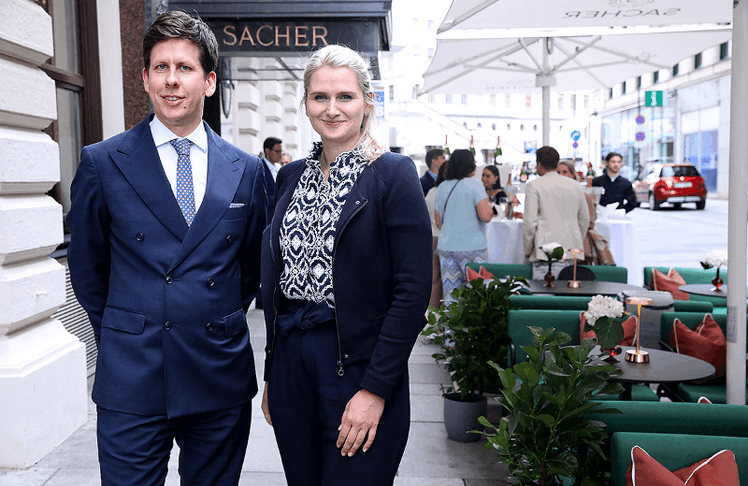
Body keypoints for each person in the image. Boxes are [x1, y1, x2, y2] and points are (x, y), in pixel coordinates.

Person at [66, 10, 266, 486]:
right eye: (161, 67)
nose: (171, 81)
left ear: (210, 81)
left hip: (217, 372)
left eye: (185, 68)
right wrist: (129, 328)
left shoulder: (247, 169)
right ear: (144, 78)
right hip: (132, 377)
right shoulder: (102, 161)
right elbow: (88, 269)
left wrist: (204, 315)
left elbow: (251, 272)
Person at [259, 44, 431, 486]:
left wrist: (375, 390)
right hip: (293, 364)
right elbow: (276, 281)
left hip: (358, 363)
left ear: (367, 103)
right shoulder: (290, 175)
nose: (332, 109)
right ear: (306, 103)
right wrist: (272, 373)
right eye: (320, 97)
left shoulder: (393, 174)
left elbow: (412, 293)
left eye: (345, 97)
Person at [434, 149, 493, 303]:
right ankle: (476, 327)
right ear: (470, 165)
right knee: (479, 295)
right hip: (473, 250)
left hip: (447, 248)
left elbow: (439, 222)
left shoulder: (442, 187)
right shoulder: (475, 185)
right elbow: (485, 216)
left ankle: (450, 327)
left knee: (452, 296)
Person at [523, 146, 590, 279]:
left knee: (543, 293)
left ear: (539, 164)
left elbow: (530, 222)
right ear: (556, 163)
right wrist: (576, 240)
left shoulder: (534, 186)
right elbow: (584, 219)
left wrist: (528, 247)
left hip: (544, 250)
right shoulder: (576, 186)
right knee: (567, 294)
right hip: (571, 249)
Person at [557, 160, 615, 265]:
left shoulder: (583, 196)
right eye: (558, 173)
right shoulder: (552, 196)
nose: (561, 175)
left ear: (573, 175)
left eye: (565, 172)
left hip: (578, 244)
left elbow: (590, 223)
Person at [425, 162, 448, 309]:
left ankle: (433, 313)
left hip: (432, 236)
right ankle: (447, 315)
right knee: (449, 280)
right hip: (446, 238)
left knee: (434, 279)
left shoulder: (432, 191)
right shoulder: (449, 191)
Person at [261, 136, 283, 219]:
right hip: (267, 217)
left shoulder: (278, 168)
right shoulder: (260, 169)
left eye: (281, 152)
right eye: (277, 152)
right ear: (267, 151)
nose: (280, 155)